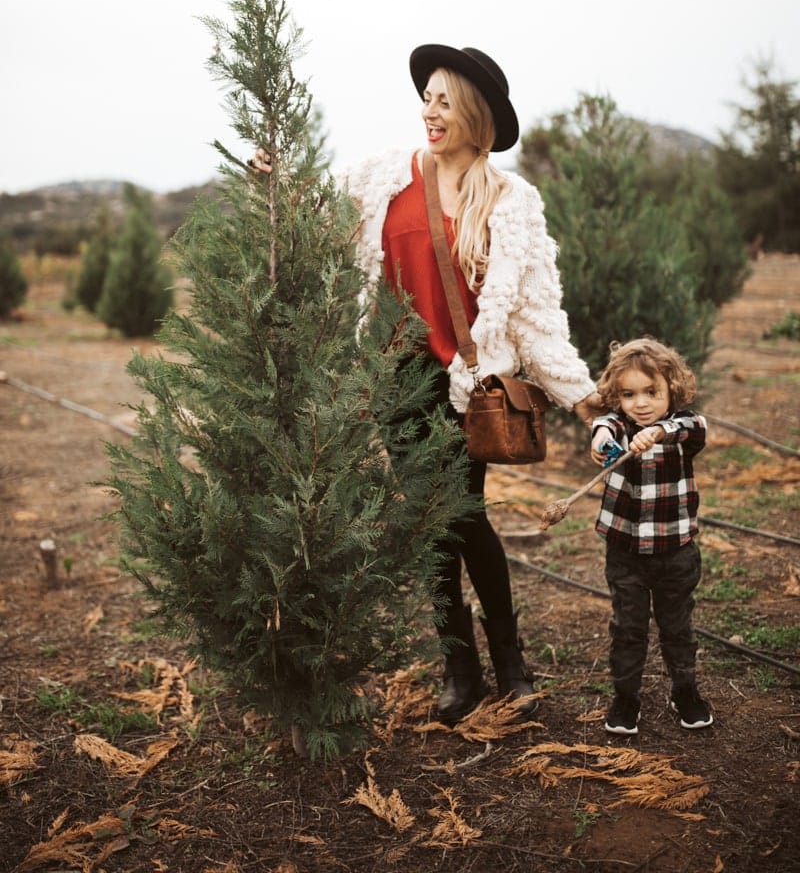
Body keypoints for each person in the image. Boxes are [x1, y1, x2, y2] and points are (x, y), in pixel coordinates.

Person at [253, 44, 599, 723]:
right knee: (428, 524)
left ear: (474, 115)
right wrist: (273, 179)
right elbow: (310, 215)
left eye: (444, 100)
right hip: (398, 379)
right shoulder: (381, 176)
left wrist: (582, 397)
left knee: (465, 517)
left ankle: (509, 662)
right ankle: (460, 667)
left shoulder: (511, 202)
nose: (429, 111)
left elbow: (535, 313)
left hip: (469, 386)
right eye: (427, 98)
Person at [589, 337, 713, 736]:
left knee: (677, 626)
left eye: (651, 392)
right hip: (625, 552)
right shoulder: (619, 426)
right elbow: (602, 422)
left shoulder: (682, 428)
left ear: (671, 390)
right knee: (629, 628)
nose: (640, 403)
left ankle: (685, 691)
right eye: (629, 394)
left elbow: (694, 426)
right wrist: (600, 438)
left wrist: (660, 430)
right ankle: (626, 698)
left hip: (675, 552)